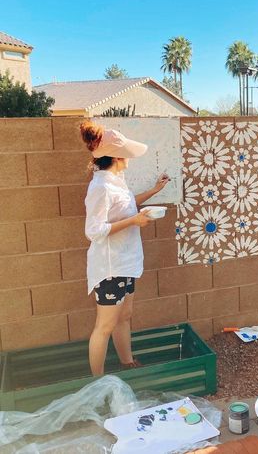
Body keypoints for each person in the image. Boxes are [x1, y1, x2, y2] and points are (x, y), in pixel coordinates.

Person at [80, 122, 169, 376]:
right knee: (104, 325)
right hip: (110, 267)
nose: (130, 157)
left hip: (126, 262)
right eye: (127, 153)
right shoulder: (100, 187)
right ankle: (98, 381)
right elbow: (93, 231)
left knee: (125, 315)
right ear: (117, 156)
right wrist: (134, 221)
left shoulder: (116, 181)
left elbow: (128, 205)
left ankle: (126, 362)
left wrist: (155, 190)